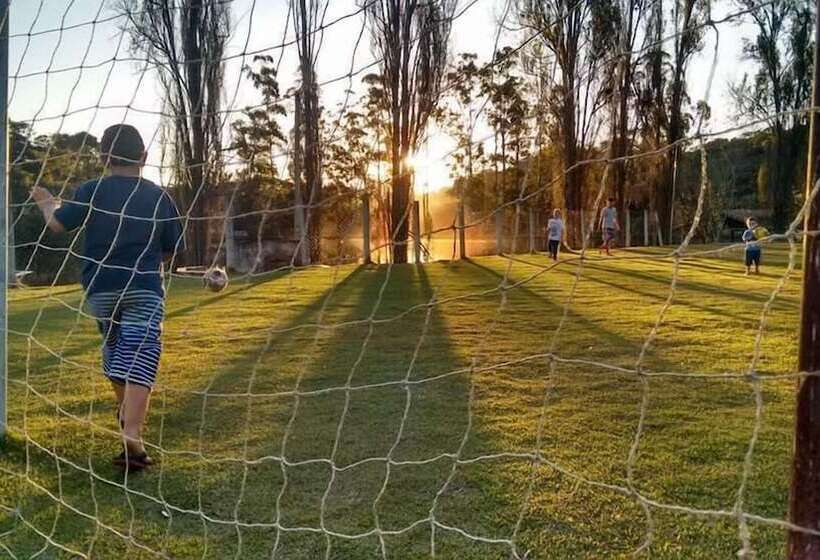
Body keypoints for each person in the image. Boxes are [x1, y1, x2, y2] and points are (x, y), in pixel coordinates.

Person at [31, 124, 184, 470]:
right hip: (143, 288)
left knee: (116, 354)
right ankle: (132, 433)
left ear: (103, 158)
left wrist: (46, 203)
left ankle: (126, 423)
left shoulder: (92, 189)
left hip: (101, 291)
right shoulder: (159, 196)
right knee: (140, 355)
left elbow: (56, 224)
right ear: (144, 157)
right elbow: (171, 249)